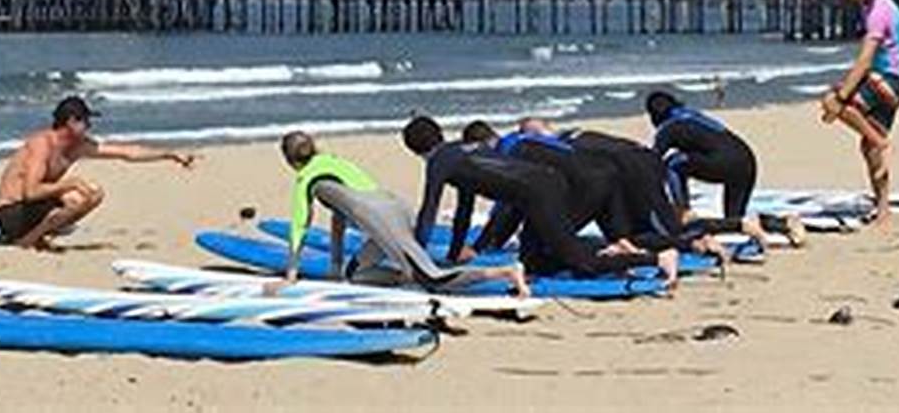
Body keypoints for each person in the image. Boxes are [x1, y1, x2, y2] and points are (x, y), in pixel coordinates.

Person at [402, 116, 679, 285]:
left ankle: (658, 258)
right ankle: (612, 251)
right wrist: (453, 256)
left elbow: (429, 212)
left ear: (415, 150)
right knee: (534, 262)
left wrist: (417, 263)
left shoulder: (439, 162)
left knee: (578, 260)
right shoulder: (462, 151)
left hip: (540, 192)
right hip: (546, 184)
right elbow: (464, 208)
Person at [266, 131, 529, 296]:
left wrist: (290, 276)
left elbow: (299, 227)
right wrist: (335, 267)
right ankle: (406, 275)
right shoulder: (335, 163)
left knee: (432, 279)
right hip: (396, 209)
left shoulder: (305, 179)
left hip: (382, 220)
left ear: (289, 160)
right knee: (355, 275)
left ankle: (506, 272)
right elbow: (340, 215)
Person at [0, 96, 199, 249]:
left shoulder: (77, 145)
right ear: (71, 122)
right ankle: (27, 240)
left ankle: (34, 237)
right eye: (86, 121)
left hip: (35, 207)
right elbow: (31, 192)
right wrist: (69, 183)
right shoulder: (41, 145)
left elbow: (126, 152)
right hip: (11, 213)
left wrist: (169, 154)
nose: (89, 126)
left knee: (93, 193)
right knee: (76, 195)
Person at [819, 0, 899, 229]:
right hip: (893, 80)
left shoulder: (878, 12)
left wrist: (841, 96)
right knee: (867, 147)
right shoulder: (876, 4)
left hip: (891, 81)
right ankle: (883, 209)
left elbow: (865, 59)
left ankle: (883, 144)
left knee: (832, 101)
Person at [646, 91, 805, 247]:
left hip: (725, 162)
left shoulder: (668, 128)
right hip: (746, 160)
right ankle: (783, 223)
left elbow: (651, 162)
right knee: (735, 220)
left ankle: (684, 211)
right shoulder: (692, 115)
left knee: (673, 163)